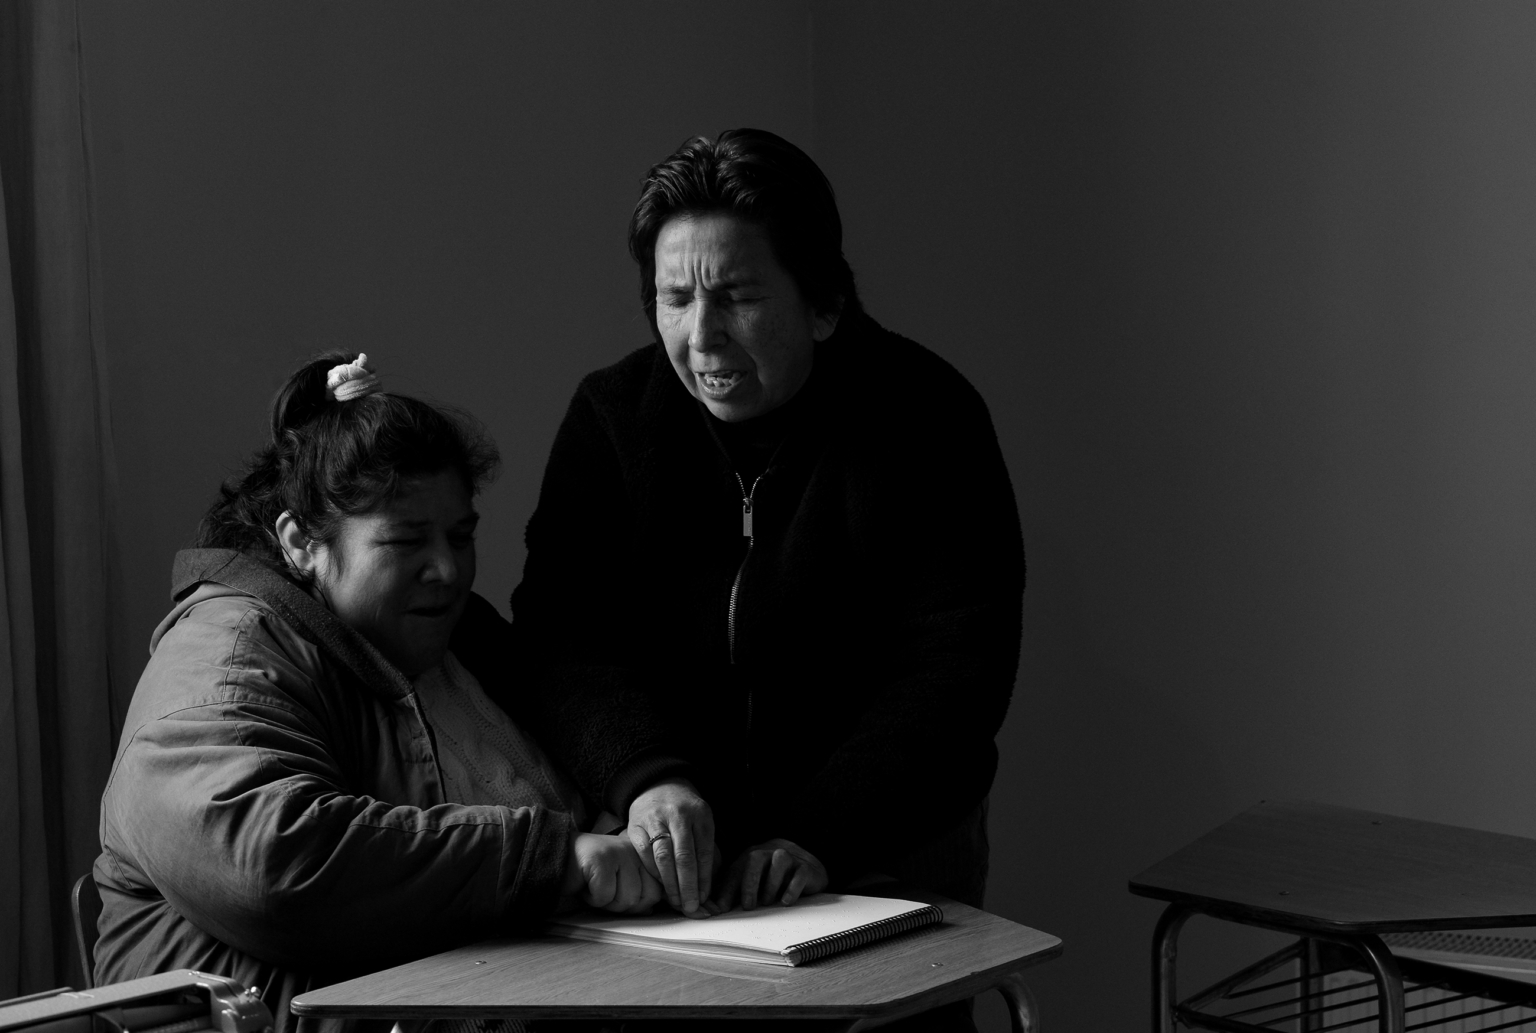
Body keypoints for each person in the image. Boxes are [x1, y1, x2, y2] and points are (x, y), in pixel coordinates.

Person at [511, 128, 1024, 972]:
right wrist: (647, 777)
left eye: (739, 296)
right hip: (672, 848)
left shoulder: (927, 415)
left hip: (884, 838)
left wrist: (817, 832)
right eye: (674, 299)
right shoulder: (612, 417)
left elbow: (955, 670)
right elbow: (563, 635)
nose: (702, 336)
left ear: (824, 304)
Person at [93, 354, 663, 1033]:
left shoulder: (458, 639)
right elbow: (270, 863)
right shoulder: (225, 653)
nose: (448, 568)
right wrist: (547, 860)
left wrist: (667, 815)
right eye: (405, 540)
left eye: (461, 535)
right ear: (301, 541)